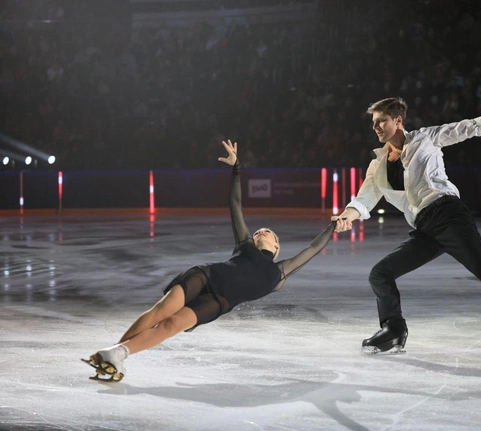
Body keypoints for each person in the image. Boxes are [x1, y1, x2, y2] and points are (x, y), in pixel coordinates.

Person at [331, 90, 481, 354]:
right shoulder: (376, 165)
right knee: (380, 274)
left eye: (381, 120)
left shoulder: (425, 138)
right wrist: (347, 217)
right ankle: (394, 329)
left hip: (448, 214)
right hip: (424, 227)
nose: (375, 126)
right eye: (374, 122)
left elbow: (471, 127)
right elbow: (364, 199)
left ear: (398, 120)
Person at [83, 140, 337, 381]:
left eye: (267, 232)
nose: (261, 231)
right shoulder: (245, 244)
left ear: (276, 246)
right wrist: (237, 168)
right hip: (205, 276)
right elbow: (235, 204)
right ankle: (114, 352)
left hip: (217, 302)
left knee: (171, 325)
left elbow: (313, 248)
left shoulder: (279, 273)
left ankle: (116, 354)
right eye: (259, 230)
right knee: (160, 311)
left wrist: (333, 226)